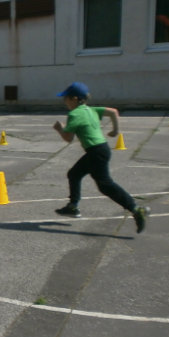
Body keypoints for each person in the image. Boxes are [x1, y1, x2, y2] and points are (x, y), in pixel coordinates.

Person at [52, 81, 149, 233]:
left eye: (66, 98)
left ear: (75, 99)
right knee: (74, 174)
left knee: (105, 185)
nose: (64, 101)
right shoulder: (91, 110)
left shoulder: (74, 114)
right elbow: (113, 112)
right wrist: (115, 130)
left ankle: (136, 209)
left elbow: (68, 138)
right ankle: (72, 206)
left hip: (96, 152)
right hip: (100, 149)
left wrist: (59, 129)